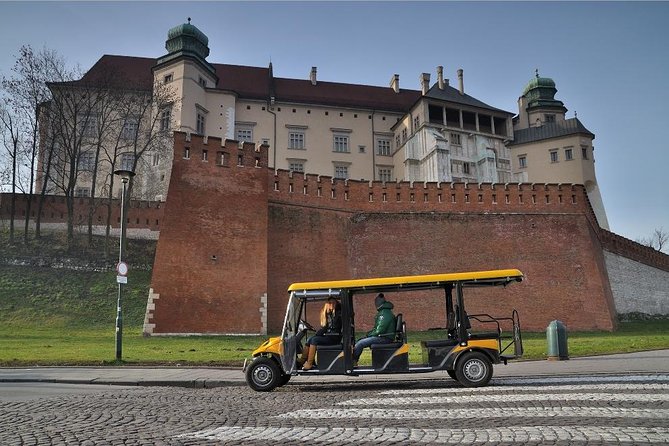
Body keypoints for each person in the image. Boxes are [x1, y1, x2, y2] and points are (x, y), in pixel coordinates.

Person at [352, 293, 396, 366]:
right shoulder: (384, 312)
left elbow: (380, 330)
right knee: (360, 341)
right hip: (382, 336)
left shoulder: (384, 313)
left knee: (360, 343)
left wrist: (369, 334)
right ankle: (354, 360)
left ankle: (353, 361)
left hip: (384, 338)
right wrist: (370, 334)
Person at [301, 298, 342, 370]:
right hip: (329, 335)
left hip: (334, 337)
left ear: (336, 303)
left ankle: (309, 363)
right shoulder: (328, 314)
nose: (331, 304)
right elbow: (325, 328)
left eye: (333, 303)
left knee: (314, 340)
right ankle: (302, 360)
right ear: (327, 304)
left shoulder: (339, 313)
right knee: (310, 340)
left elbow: (332, 327)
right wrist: (317, 333)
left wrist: (318, 334)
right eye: (330, 303)